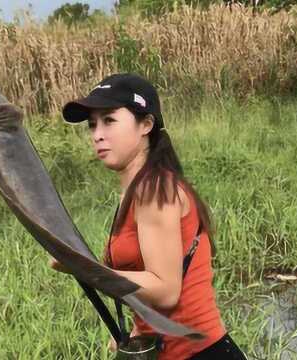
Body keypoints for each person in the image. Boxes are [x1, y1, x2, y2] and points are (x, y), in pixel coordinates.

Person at [50, 74, 246, 359]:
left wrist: (85, 268)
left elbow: (166, 290)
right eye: (92, 124)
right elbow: (149, 284)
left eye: (109, 120)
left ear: (146, 124)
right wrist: (141, 328)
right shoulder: (137, 190)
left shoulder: (155, 190)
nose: (97, 134)